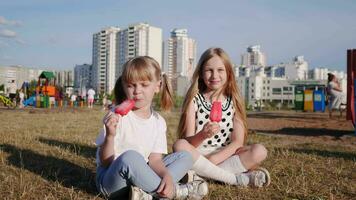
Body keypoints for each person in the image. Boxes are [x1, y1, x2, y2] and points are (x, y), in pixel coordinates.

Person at [95, 56, 208, 200]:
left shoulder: (158, 122)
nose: (137, 91)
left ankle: (145, 194)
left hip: (142, 173)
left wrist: (166, 175)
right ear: (124, 86)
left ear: (157, 86)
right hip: (111, 181)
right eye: (131, 85)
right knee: (130, 157)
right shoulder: (116, 116)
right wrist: (110, 136)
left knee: (185, 156)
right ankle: (175, 192)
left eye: (144, 85)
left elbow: (155, 160)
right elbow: (106, 162)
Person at [173, 47, 271, 188]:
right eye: (209, 70)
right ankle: (234, 179)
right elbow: (189, 142)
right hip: (199, 156)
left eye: (220, 70)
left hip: (226, 155)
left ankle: (201, 176)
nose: (214, 75)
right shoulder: (194, 101)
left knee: (260, 151)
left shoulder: (234, 101)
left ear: (229, 73)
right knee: (179, 145)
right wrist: (202, 135)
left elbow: (238, 142)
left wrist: (215, 159)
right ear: (201, 73)